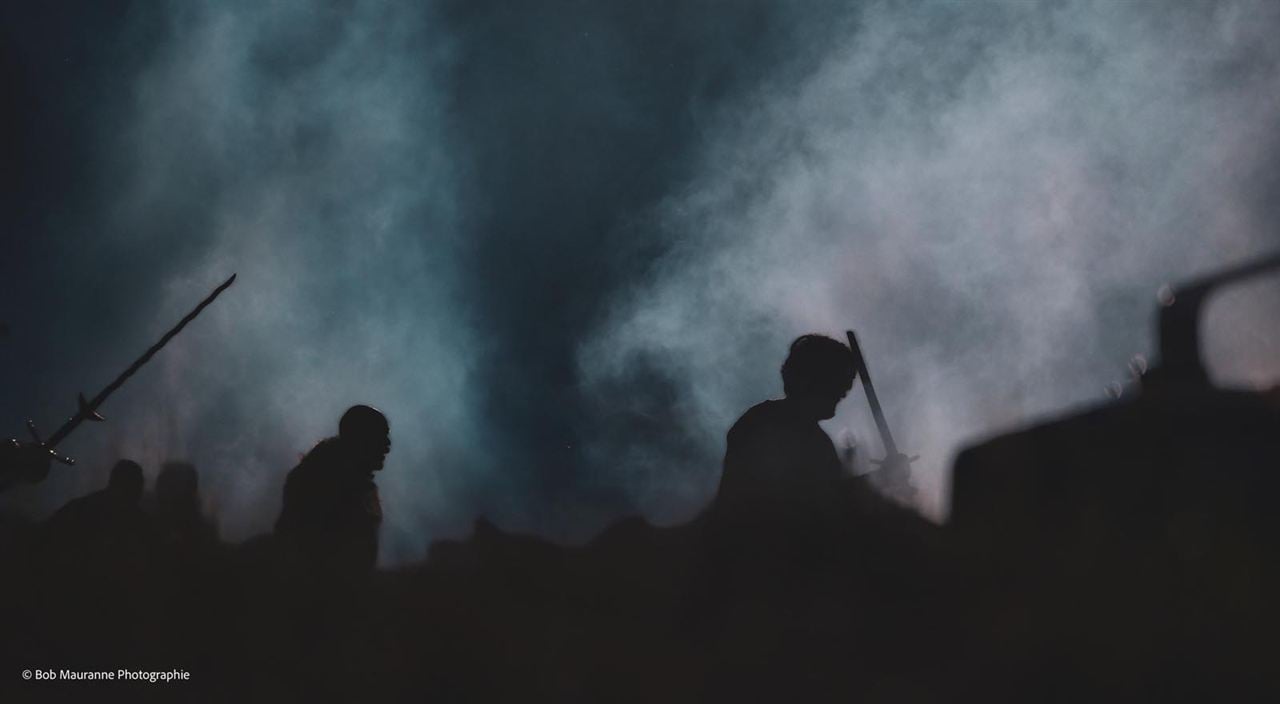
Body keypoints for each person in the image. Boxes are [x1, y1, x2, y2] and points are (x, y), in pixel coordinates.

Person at [714, 334, 860, 536]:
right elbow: (802, 505)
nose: (845, 392)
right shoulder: (769, 426)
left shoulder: (811, 436)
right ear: (812, 381)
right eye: (840, 381)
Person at [274, 405, 390, 575]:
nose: (387, 445)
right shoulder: (323, 485)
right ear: (360, 440)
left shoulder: (349, 482)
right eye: (380, 436)